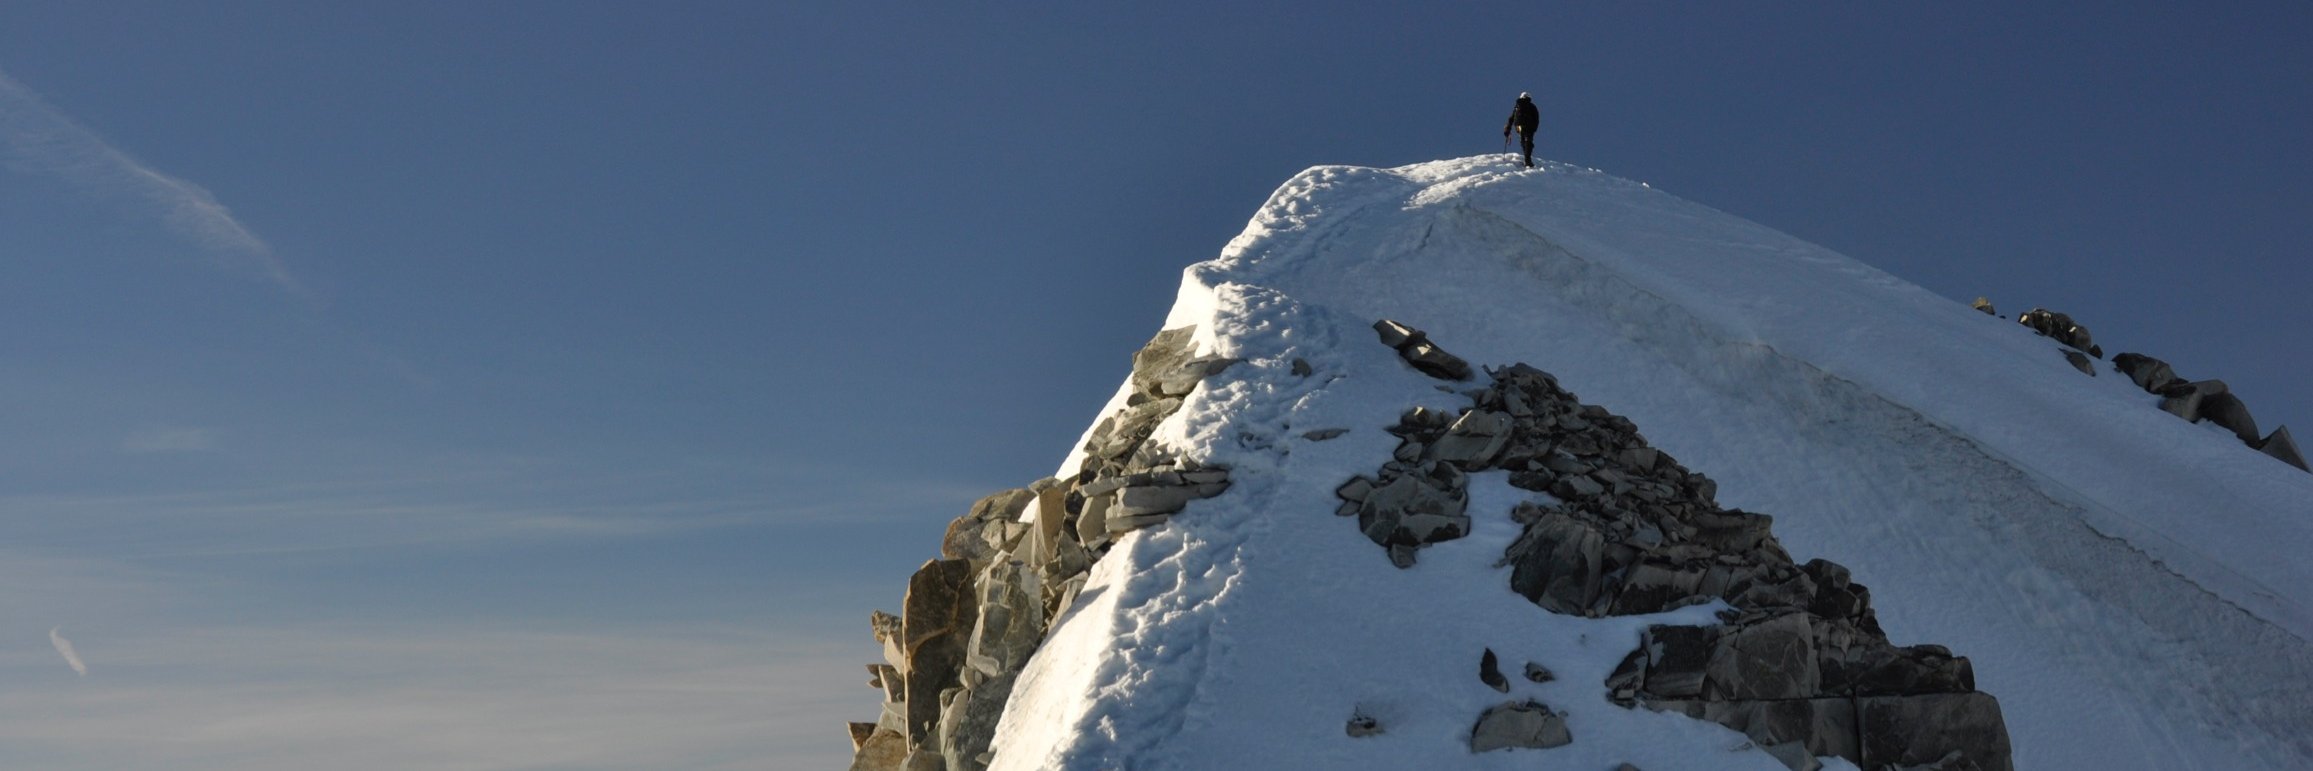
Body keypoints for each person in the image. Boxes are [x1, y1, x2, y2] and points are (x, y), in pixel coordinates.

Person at [1503, 92, 1540, 168]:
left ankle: (1526, 158)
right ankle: (1527, 160)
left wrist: (1508, 128)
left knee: (1523, 141)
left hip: (1519, 126)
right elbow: (1536, 118)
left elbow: (1512, 118)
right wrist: (1534, 128)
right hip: (1529, 126)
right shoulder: (1532, 106)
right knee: (1528, 141)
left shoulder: (1517, 106)